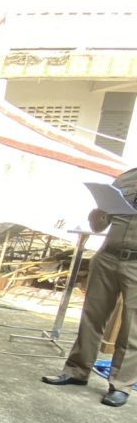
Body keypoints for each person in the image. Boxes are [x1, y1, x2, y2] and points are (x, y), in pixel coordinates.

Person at [41, 167, 137, 407]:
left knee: (132, 326)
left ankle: (120, 385)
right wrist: (100, 213)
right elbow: (98, 227)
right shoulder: (126, 178)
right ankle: (76, 370)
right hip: (107, 256)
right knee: (92, 316)